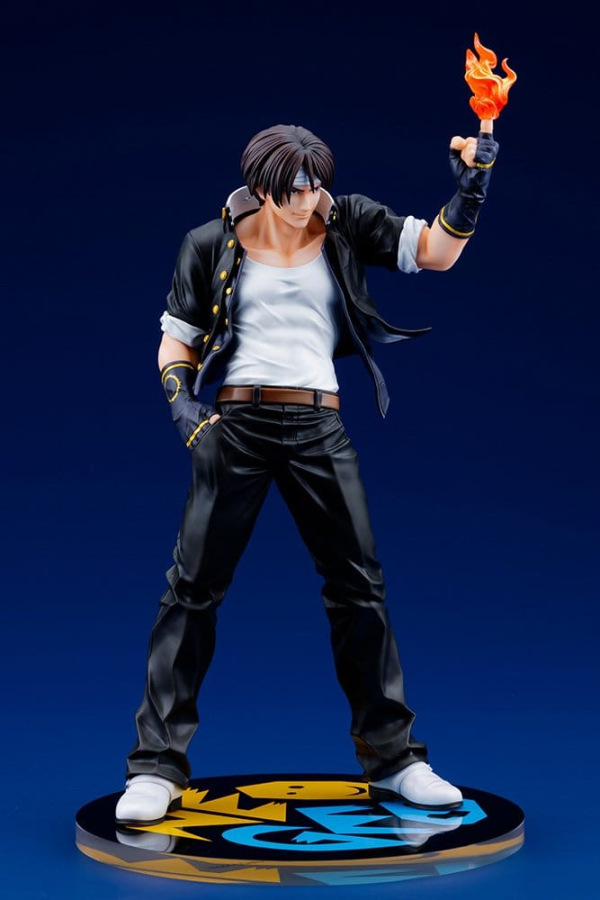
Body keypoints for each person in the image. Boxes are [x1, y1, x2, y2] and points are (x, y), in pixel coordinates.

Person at [115, 122, 499, 826]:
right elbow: (176, 341)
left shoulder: (346, 223)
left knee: (359, 588)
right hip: (236, 425)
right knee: (192, 589)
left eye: (316, 182)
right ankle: (156, 766)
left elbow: (435, 252)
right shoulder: (210, 242)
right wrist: (186, 413)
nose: (307, 197)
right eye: (294, 186)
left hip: (319, 424)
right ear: (261, 185)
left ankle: (395, 760)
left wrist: (471, 185)